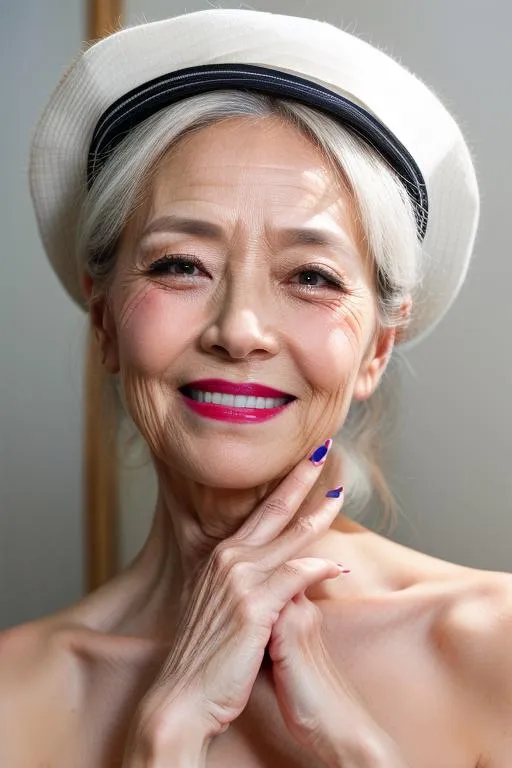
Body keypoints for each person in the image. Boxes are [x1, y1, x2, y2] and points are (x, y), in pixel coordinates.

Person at [2, 8, 510, 767]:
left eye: (311, 276)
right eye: (180, 264)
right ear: (104, 321)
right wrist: (163, 742)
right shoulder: (14, 697)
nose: (239, 329)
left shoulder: (498, 645)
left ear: (376, 347)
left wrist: (359, 755)